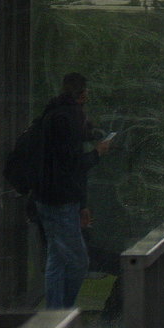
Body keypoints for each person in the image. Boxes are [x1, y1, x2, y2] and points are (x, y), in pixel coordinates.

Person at [32, 72, 111, 309]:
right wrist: (97, 153)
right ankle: (62, 314)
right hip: (62, 199)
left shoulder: (52, 113)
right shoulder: (70, 118)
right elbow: (74, 165)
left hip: (44, 196)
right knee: (78, 261)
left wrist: (81, 204)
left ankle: (54, 314)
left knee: (56, 258)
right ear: (83, 94)